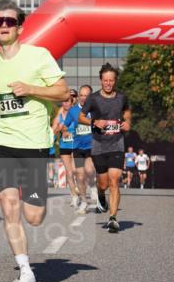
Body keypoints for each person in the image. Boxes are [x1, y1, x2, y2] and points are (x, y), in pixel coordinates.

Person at [0, 2, 69, 282]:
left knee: (34, 217)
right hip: (3, 143)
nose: (4, 25)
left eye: (9, 22)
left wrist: (31, 89)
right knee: (9, 206)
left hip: (35, 145)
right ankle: (26, 270)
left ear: (20, 27)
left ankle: (38, 202)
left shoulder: (39, 56)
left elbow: (63, 91)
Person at [78, 63, 131, 233]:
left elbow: (127, 112)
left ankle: (113, 218)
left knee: (114, 180)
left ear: (115, 81)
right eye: (105, 80)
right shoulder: (93, 99)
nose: (108, 83)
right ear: (101, 80)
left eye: (111, 80)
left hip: (117, 143)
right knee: (104, 183)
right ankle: (101, 194)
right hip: (99, 145)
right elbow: (81, 117)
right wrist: (94, 122)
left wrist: (127, 122)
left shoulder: (122, 97)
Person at [65, 85, 98, 214]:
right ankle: (84, 201)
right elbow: (65, 125)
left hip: (91, 146)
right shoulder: (73, 111)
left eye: (87, 95)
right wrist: (65, 131)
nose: (84, 98)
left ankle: (93, 186)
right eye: (82, 95)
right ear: (78, 96)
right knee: (79, 175)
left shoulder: (95, 110)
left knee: (89, 170)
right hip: (78, 148)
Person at [53, 90, 80, 208]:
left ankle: (78, 189)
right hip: (64, 146)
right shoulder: (59, 115)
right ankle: (74, 196)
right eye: (64, 101)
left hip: (76, 145)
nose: (66, 103)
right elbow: (53, 130)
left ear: (72, 102)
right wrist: (59, 129)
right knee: (69, 172)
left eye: (68, 101)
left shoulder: (76, 113)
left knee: (75, 170)